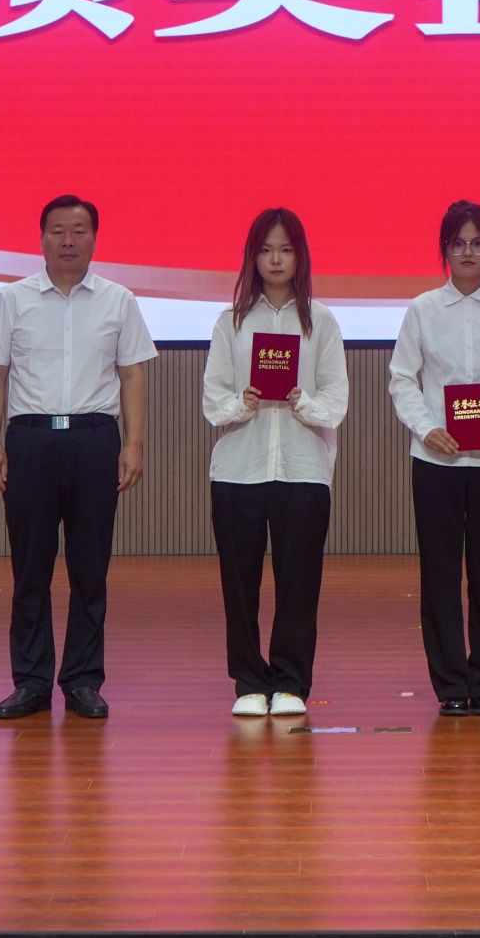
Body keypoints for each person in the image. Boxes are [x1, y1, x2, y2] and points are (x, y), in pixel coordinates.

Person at [0, 195, 156, 721]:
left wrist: (133, 444)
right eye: (57, 230)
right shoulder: (10, 299)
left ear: (95, 238)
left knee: (89, 569)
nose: (68, 240)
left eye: (79, 230)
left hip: (94, 440)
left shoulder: (119, 300)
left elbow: (132, 374)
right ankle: (31, 682)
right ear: (41, 239)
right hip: (30, 441)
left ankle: (82, 680)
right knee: (29, 568)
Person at [387, 199, 480, 717]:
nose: (468, 252)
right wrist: (427, 429)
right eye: (458, 244)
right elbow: (401, 379)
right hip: (437, 463)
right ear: (445, 251)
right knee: (440, 575)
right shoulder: (423, 309)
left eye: (477, 243)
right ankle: (451, 685)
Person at [201, 208, 348, 718]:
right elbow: (212, 400)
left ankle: (290, 682)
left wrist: (301, 402)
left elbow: (336, 400)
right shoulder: (231, 322)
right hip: (238, 470)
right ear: (253, 257)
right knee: (239, 583)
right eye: (266, 250)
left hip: (304, 469)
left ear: (300, 256)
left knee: (299, 583)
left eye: (285, 250)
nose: (276, 260)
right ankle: (248, 680)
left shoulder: (321, 321)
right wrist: (241, 402)